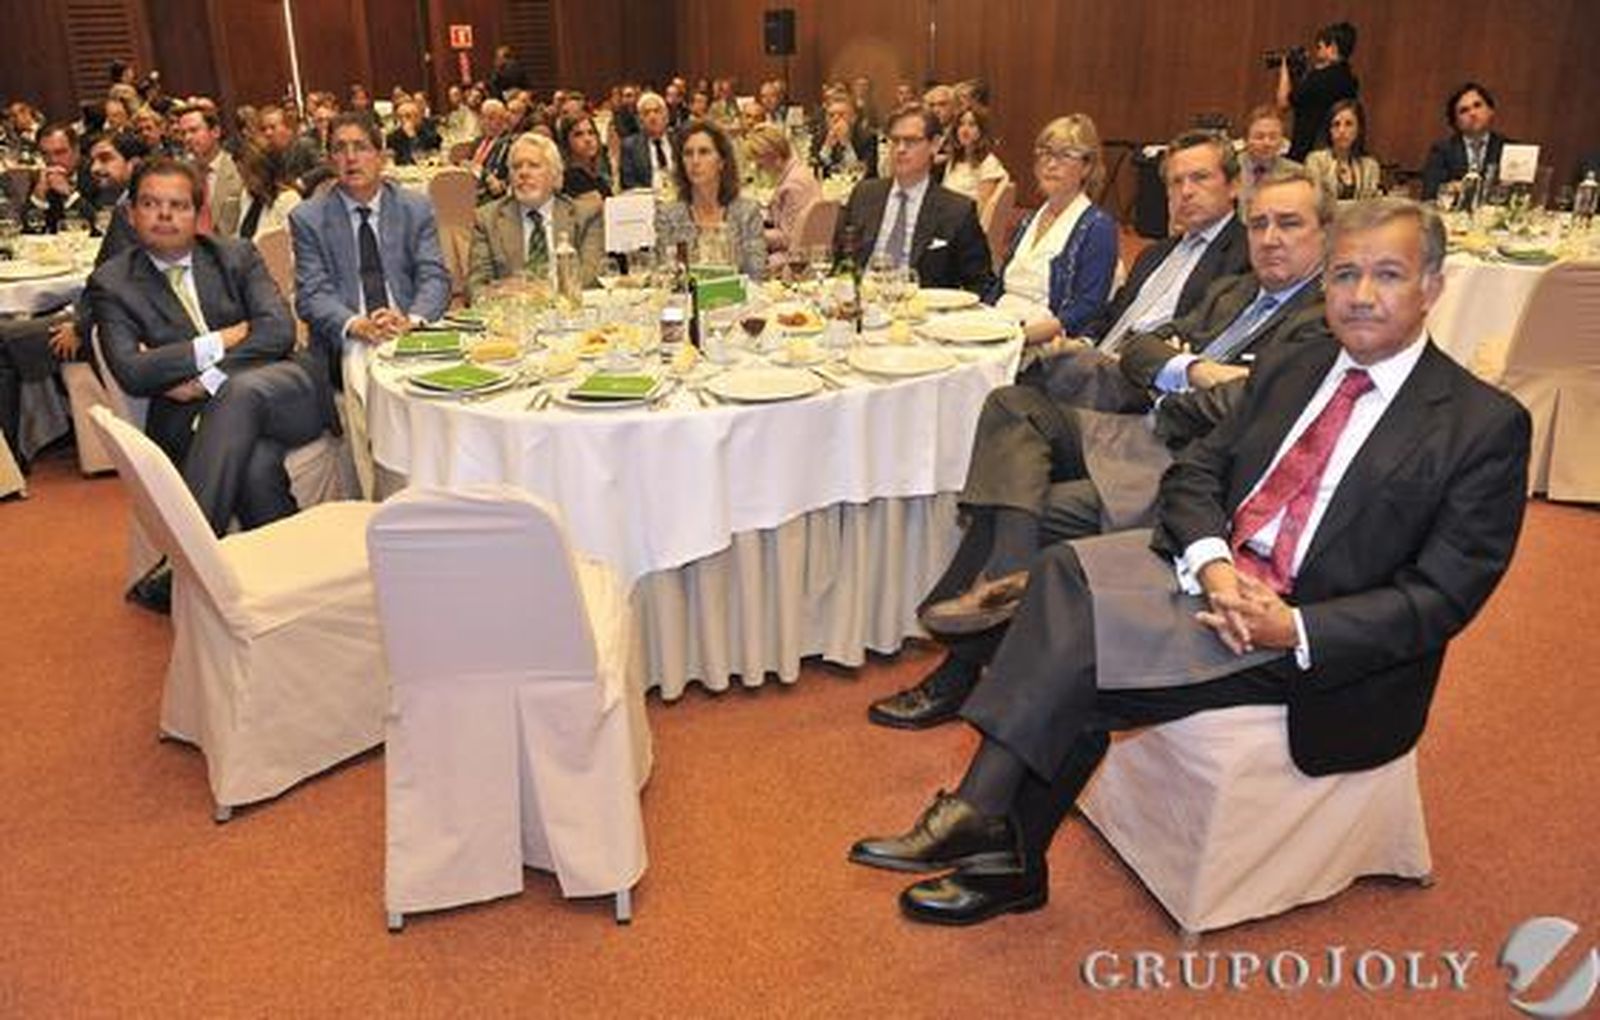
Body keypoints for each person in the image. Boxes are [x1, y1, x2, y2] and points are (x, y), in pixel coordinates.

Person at [851, 198, 1531, 926]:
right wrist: (1209, 565)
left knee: (1072, 649)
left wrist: (1293, 627)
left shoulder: (1480, 426)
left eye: (1388, 275)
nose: (1361, 295)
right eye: (1344, 275)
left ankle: (990, 834)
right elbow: (1198, 472)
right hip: (1216, 581)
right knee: (1066, 575)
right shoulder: (1297, 366)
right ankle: (994, 841)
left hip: (1318, 640)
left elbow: (1441, 599)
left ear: (1431, 286)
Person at [871, 167, 1330, 729]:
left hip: (1180, 471)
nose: (1270, 238)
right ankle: (1003, 588)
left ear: (1325, 234)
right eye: (1259, 224)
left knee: (1017, 505)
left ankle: (958, 673)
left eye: (1289, 224)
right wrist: (1204, 371)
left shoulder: (1322, 322)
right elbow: (1141, 348)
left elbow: (1248, 411)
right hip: (1132, 432)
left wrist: (1179, 383)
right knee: (1011, 404)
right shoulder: (1235, 291)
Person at [88, 157, 331, 537]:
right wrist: (217, 340)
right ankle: (284, 566)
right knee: (256, 464)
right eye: (151, 204)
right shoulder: (113, 283)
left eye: (179, 205)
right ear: (131, 213)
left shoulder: (236, 255)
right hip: (191, 421)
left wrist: (207, 380)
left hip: (284, 391)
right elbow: (133, 371)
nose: (165, 215)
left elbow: (277, 331)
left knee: (241, 389)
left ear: (198, 215)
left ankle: (187, 560)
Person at [289, 112, 450, 494]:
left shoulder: (414, 207)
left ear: (381, 156)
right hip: (348, 339)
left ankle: (433, 488)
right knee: (366, 391)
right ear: (330, 161)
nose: (350, 158)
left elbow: (435, 277)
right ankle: (377, 495)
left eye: (360, 147)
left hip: (407, 330)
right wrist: (357, 324)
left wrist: (411, 319)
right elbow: (312, 295)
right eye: (339, 149)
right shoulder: (308, 218)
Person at [984, 114, 1116, 343]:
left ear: (1087, 167)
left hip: (1045, 342)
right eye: (1045, 152)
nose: (1051, 163)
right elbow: (1001, 285)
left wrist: (1021, 338)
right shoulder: (1029, 220)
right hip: (1001, 326)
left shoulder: (1098, 227)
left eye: (1065, 155)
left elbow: (1088, 307)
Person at [833, 106, 993, 294]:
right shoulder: (864, 194)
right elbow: (840, 260)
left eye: (911, 141)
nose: (900, 149)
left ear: (934, 144)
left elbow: (980, 283)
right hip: (863, 304)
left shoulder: (957, 210)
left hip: (921, 312)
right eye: (895, 140)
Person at [467, 132, 603, 301]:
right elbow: (477, 288)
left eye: (534, 165)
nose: (523, 173)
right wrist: (503, 294)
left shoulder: (585, 215)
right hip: (515, 320)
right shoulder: (487, 219)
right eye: (516, 167)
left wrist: (541, 291)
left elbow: (589, 278)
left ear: (555, 175)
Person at [653, 120, 766, 279]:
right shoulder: (668, 215)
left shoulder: (747, 213)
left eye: (704, 152)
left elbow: (756, 273)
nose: (695, 161)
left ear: (721, 162)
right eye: (688, 153)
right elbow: (667, 273)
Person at [1277, 20, 1359, 162]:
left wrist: (1285, 70)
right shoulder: (1351, 80)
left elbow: (1283, 103)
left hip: (1305, 154)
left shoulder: (1317, 79)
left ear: (1332, 47)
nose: (1317, 52)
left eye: (1320, 47)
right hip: (1333, 156)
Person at [745, 124, 820, 266]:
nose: (758, 168)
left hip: (792, 259)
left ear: (773, 156)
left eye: (759, 162)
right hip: (803, 251)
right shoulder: (800, 171)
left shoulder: (792, 185)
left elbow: (788, 238)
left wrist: (753, 233)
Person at [1420, 82, 1509, 201]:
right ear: (1455, 122)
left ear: (1490, 110)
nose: (1472, 113)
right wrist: (1450, 188)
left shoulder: (1509, 149)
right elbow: (1429, 196)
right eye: (1464, 110)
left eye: (1477, 105)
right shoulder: (1441, 151)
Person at [176, 105, 243, 236]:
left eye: (193, 130)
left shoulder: (238, 170)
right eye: (183, 133)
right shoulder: (180, 176)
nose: (187, 138)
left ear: (215, 132)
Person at [1304, 99, 1381, 201]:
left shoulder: (1370, 166)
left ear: (1359, 129)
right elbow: (1317, 202)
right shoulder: (1316, 161)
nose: (1342, 131)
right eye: (1336, 124)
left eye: (1348, 124)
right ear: (1329, 130)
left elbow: (1372, 205)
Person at [25, 124, 93, 233]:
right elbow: (27, 231)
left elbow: (102, 225)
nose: (53, 160)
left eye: (60, 152)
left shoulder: (95, 173)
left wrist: (70, 195)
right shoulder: (42, 178)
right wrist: (38, 198)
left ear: (76, 150)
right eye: (45, 154)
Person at [942, 106, 1008, 210]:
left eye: (972, 125)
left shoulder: (989, 163)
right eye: (961, 124)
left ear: (981, 131)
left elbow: (982, 210)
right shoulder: (954, 161)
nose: (965, 129)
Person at [1236, 105, 1300, 214]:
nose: (1267, 143)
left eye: (1273, 137)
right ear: (1245, 140)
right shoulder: (1231, 168)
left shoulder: (1296, 173)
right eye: (1259, 137)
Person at [234, 143, 300, 241]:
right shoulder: (247, 195)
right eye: (242, 175)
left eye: (248, 176)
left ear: (264, 172)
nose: (245, 182)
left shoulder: (289, 200)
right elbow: (240, 235)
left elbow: (287, 243)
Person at [618, 92, 676, 191]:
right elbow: (628, 183)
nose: (652, 117)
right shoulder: (630, 146)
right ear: (640, 120)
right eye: (646, 113)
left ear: (666, 116)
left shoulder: (678, 140)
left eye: (657, 111)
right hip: (647, 201)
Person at [812, 96, 877, 181]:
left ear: (853, 118)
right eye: (831, 116)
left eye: (841, 115)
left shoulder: (867, 138)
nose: (835, 119)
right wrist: (827, 147)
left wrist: (846, 144)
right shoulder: (819, 137)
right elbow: (816, 172)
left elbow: (866, 173)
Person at [556, 114, 612, 205]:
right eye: (578, 134)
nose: (587, 139)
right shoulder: (567, 180)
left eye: (591, 132)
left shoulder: (600, 179)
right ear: (566, 143)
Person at [385, 100, 442, 167]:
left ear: (418, 118)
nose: (404, 120)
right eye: (400, 117)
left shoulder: (430, 134)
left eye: (408, 116)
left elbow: (425, 156)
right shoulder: (393, 137)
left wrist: (413, 138)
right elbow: (397, 160)